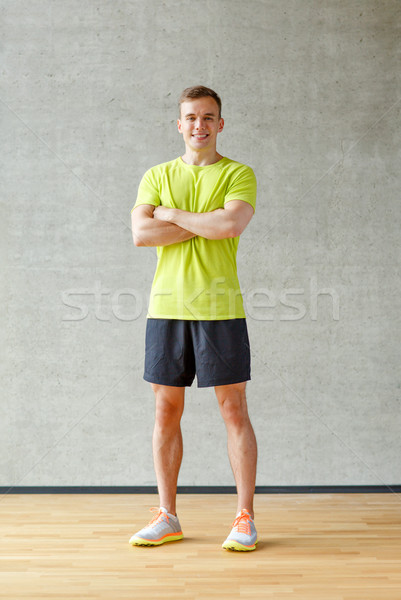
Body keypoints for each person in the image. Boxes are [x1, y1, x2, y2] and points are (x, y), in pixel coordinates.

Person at [129, 85, 258, 552]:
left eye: (208, 117)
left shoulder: (239, 174)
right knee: (165, 409)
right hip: (165, 310)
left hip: (221, 309)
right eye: (191, 117)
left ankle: (244, 517)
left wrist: (173, 215)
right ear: (179, 124)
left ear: (220, 124)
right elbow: (142, 235)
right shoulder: (157, 174)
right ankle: (168, 515)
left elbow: (229, 226)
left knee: (233, 409)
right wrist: (201, 221)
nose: (199, 125)